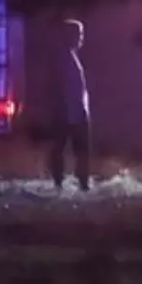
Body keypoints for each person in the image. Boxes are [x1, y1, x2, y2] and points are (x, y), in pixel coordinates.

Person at [48, 18, 92, 191]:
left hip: (74, 111)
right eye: (79, 34)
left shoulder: (69, 58)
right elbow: (60, 87)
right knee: (76, 149)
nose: (81, 38)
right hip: (70, 112)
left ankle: (73, 182)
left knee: (71, 149)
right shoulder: (64, 59)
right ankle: (72, 182)